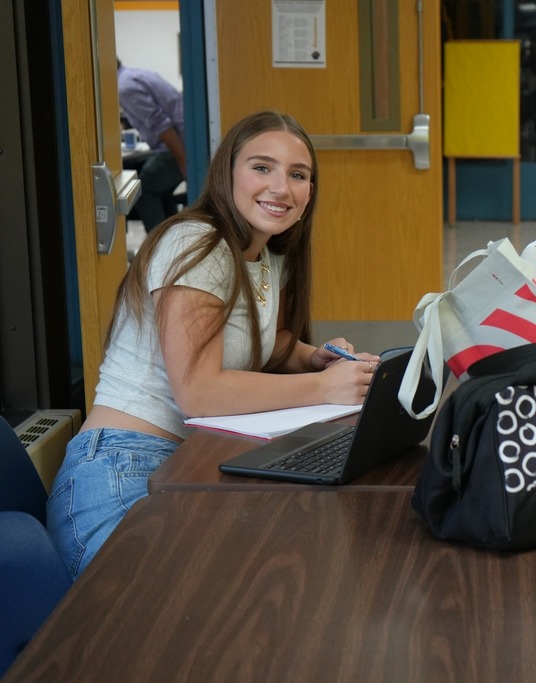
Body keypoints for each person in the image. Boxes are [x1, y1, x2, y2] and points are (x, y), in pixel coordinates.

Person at [47, 111, 379, 580]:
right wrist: (323, 387)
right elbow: (199, 391)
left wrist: (312, 356)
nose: (281, 187)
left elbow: (257, 341)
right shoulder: (197, 242)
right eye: (262, 167)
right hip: (122, 465)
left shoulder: (262, 254)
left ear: (309, 194)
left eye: (298, 174)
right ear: (228, 173)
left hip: (189, 464)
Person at [117, 58, 187, 232]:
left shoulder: (125, 87)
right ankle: (173, 244)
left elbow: (161, 125)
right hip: (184, 141)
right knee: (161, 191)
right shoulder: (135, 75)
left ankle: (158, 247)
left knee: (142, 193)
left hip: (175, 147)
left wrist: (183, 160)